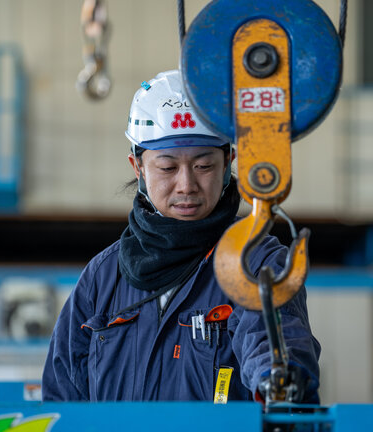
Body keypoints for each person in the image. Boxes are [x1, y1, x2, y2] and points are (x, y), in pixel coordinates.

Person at [42, 70, 320, 402]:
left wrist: (277, 376)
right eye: (168, 168)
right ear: (138, 167)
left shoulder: (254, 261)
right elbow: (62, 397)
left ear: (229, 161)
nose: (186, 185)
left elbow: (273, 338)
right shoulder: (103, 277)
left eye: (204, 166)